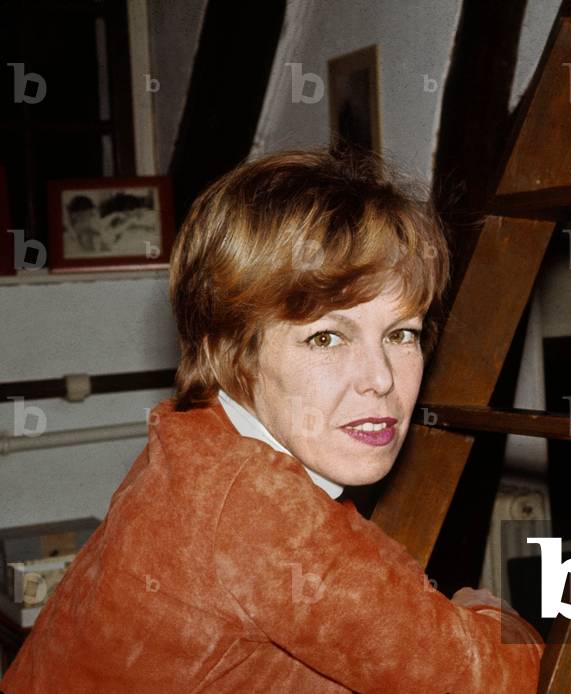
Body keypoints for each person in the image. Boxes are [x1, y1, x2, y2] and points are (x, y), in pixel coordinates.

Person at [1, 149, 542, 692]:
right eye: (326, 337)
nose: (379, 379)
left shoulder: (196, 440)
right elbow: (495, 679)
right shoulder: (257, 509)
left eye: (402, 333)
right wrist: (489, 613)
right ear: (234, 352)